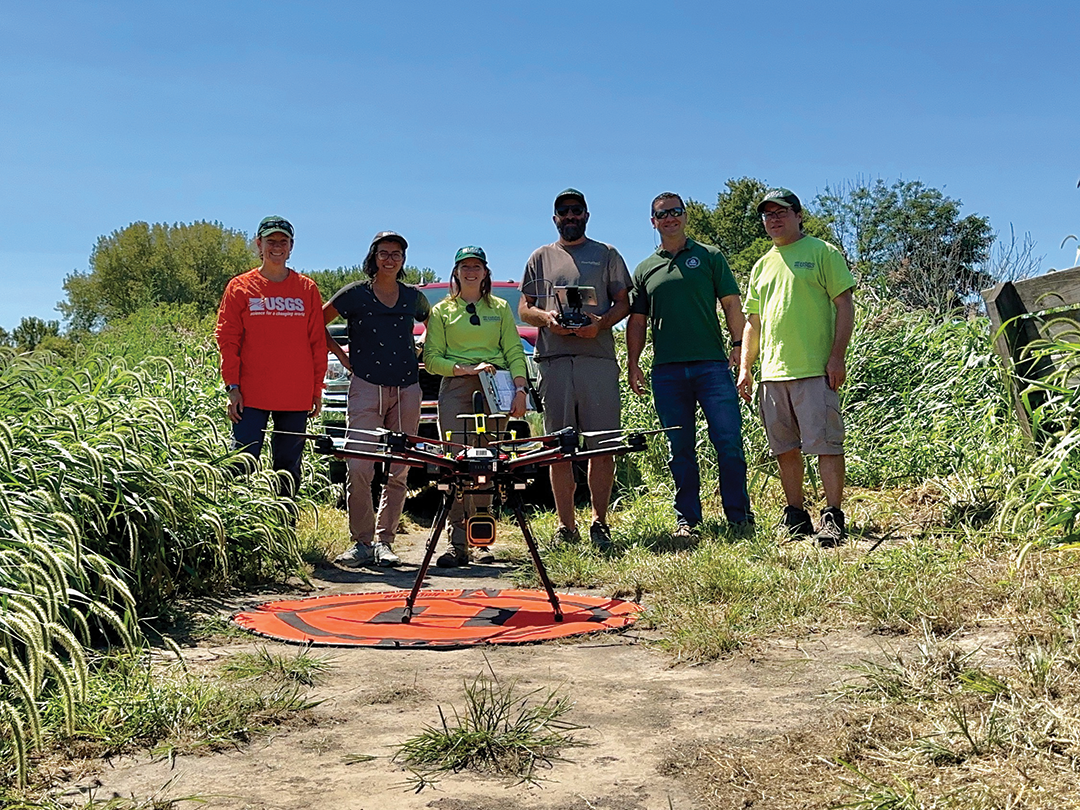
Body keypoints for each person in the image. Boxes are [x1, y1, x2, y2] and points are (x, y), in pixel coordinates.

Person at [626, 193, 753, 537]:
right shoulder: (644, 269)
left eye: (675, 212)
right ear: (652, 222)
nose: (669, 218)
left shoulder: (710, 257)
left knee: (727, 442)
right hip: (667, 372)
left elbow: (731, 305)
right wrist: (633, 363)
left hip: (712, 367)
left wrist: (739, 347)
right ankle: (688, 520)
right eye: (662, 214)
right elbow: (637, 322)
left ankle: (738, 517)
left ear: (685, 216)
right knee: (678, 449)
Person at [736, 188, 856, 546]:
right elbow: (752, 323)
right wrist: (746, 368)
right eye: (767, 215)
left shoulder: (822, 253)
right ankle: (796, 515)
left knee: (826, 445)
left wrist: (837, 356)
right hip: (773, 375)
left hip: (814, 370)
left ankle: (833, 516)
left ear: (798, 215)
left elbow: (845, 304)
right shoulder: (761, 265)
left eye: (781, 212)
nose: (774, 220)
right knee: (784, 449)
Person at [519, 188, 631, 548]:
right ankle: (565, 527)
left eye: (576, 210)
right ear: (555, 218)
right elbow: (524, 308)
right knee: (558, 446)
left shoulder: (607, 254)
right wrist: (545, 318)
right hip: (553, 361)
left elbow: (624, 302)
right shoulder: (540, 257)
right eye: (563, 211)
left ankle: (600, 522)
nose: (570, 216)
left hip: (596, 359)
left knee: (602, 445)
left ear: (586, 215)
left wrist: (600, 324)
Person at [325, 231, 431, 568]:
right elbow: (316, 320)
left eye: (396, 253)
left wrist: (425, 348)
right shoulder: (355, 294)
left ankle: (386, 541)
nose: (390, 258)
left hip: (406, 388)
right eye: (384, 252)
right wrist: (341, 356)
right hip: (366, 386)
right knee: (358, 465)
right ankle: (361, 542)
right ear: (374, 256)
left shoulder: (413, 297)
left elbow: (434, 324)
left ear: (403, 260)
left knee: (399, 469)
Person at [424, 246, 529, 567]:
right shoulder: (442, 311)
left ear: (485, 272)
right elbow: (431, 359)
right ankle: (457, 543)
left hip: (495, 386)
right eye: (464, 266)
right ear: (455, 272)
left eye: (477, 266)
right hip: (457, 386)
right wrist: (465, 369)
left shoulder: (499, 308)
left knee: (487, 462)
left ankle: (480, 539)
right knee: (457, 462)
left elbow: (513, 350)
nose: (471, 271)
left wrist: (521, 389)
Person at [216, 216, 327, 496]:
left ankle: (283, 528)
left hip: (294, 395)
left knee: (288, 467)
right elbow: (228, 339)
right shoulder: (240, 287)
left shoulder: (307, 289)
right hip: (250, 395)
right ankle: (242, 528)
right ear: (259, 244)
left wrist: (316, 390)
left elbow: (317, 342)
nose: (276, 247)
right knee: (242, 463)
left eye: (283, 241)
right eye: (270, 241)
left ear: (291, 247)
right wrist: (232, 387)